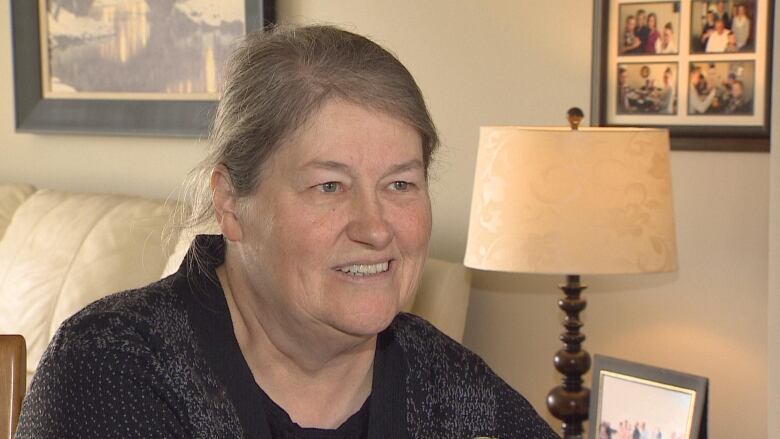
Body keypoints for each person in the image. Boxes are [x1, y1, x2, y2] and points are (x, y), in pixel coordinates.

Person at [14, 25, 558, 438]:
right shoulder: (113, 368)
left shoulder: (447, 384)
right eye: (329, 186)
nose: (374, 228)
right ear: (230, 203)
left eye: (400, 185)